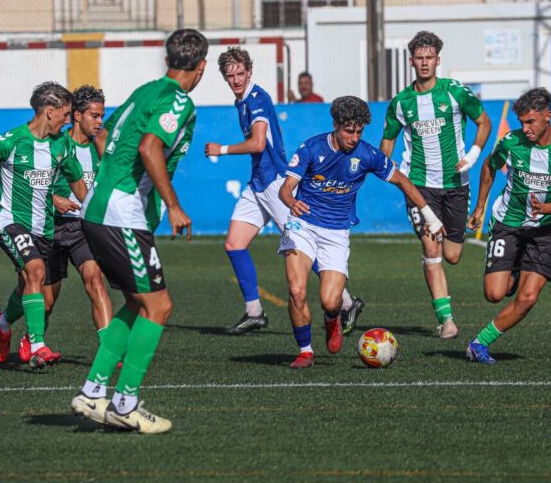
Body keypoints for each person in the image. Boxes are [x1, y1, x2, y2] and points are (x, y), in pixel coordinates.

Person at [70, 28, 208, 434]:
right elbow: (149, 147)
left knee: (136, 304)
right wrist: (172, 205)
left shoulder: (145, 91)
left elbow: (104, 133)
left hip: (100, 207)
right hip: (120, 212)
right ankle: (125, 403)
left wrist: (109, 180)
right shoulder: (178, 100)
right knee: (159, 307)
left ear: (168, 60)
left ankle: (92, 392)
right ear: (201, 67)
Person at [205, 48, 363, 336]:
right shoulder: (242, 101)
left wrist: (222, 150)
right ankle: (254, 312)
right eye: (230, 75)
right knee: (234, 244)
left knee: (303, 248)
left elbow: (257, 143)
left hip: (276, 184)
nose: (236, 79)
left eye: (240, 73)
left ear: (250, 72)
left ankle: (347, 302)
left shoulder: (257, 98)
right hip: (258, 183)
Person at [279, 96, 444, 369]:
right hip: (302, 225)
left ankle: (332, 317)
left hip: (336, 232)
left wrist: (431, 217)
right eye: (349, 131)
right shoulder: (311, 148)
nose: (354, 138)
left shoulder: (367, 154)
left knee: (330, 301)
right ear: (335, 124)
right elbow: (286, 188)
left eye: (359, 132)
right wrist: (291, 202)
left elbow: (402, 181)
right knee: (297, 291)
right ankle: (305, 351)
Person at [0, 82, 87, 369]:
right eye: (65, 114)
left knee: (35, 292)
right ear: (49, 112)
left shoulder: (62, 145)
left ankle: (3, 321)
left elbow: (78, 185)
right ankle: (37, 346)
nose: (68, 121)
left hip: (44, 229)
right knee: (35, 271)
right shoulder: (10, 141)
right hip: (10, 221)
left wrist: (98, 214)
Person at [380, 31, 491, 340]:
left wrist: (473, 154)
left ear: (438, 60)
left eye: (429, 57)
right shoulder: (401, 102)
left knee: (452, 255)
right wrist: (384, 166)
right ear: (411, 61)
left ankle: (445, 310)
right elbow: (387, 140)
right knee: (431, 247)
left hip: (456, 183)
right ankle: (446, 320)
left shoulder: (455, 92)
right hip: (419, 186)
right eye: (419, 57)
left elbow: (484, 122)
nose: (425, 62)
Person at [465, 88, 551, 364]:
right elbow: (489, 166)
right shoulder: (511, 142)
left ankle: (479, 344)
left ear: (547, 116)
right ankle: (515, 268)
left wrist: (545, 208)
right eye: (522, 123)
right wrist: (480, 207)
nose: (526, 129)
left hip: (544, 230)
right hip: (508, 223)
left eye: (531, 122)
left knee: (527, 298)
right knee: (494, 294)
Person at [36, 85, 113, 360]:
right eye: (94, 116)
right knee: (46, 302)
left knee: (96, 280)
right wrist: (53, 198)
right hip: (50, 227)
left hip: (81, 228)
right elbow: (29, 186)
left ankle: (108, 350)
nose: (99, 122)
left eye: (102, 116)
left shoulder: (100, 148)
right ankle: (31, 342)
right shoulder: (55, 145)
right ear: (77, 116)